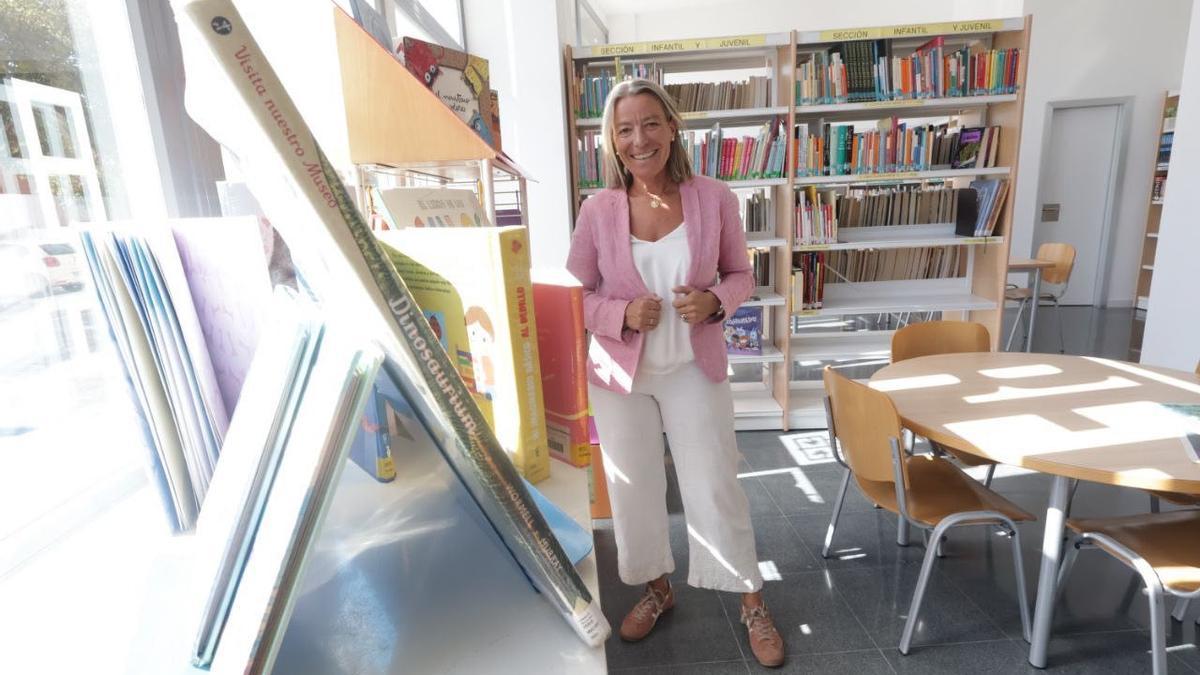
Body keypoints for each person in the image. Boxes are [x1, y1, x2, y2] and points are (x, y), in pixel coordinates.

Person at [566, 79, 785, 668]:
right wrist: (619, 312)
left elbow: (742, 274)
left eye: (650, 123)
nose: (640, 139)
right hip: (622, 376)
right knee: (633, 490)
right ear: (611, 141)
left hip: (693, 365)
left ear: (672, 127)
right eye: (625, 129)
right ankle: (655, 589)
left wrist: (715, 301)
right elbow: (571, 297)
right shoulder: (598, 209)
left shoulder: (713, 196)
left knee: (715, 482)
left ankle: (752, 601)